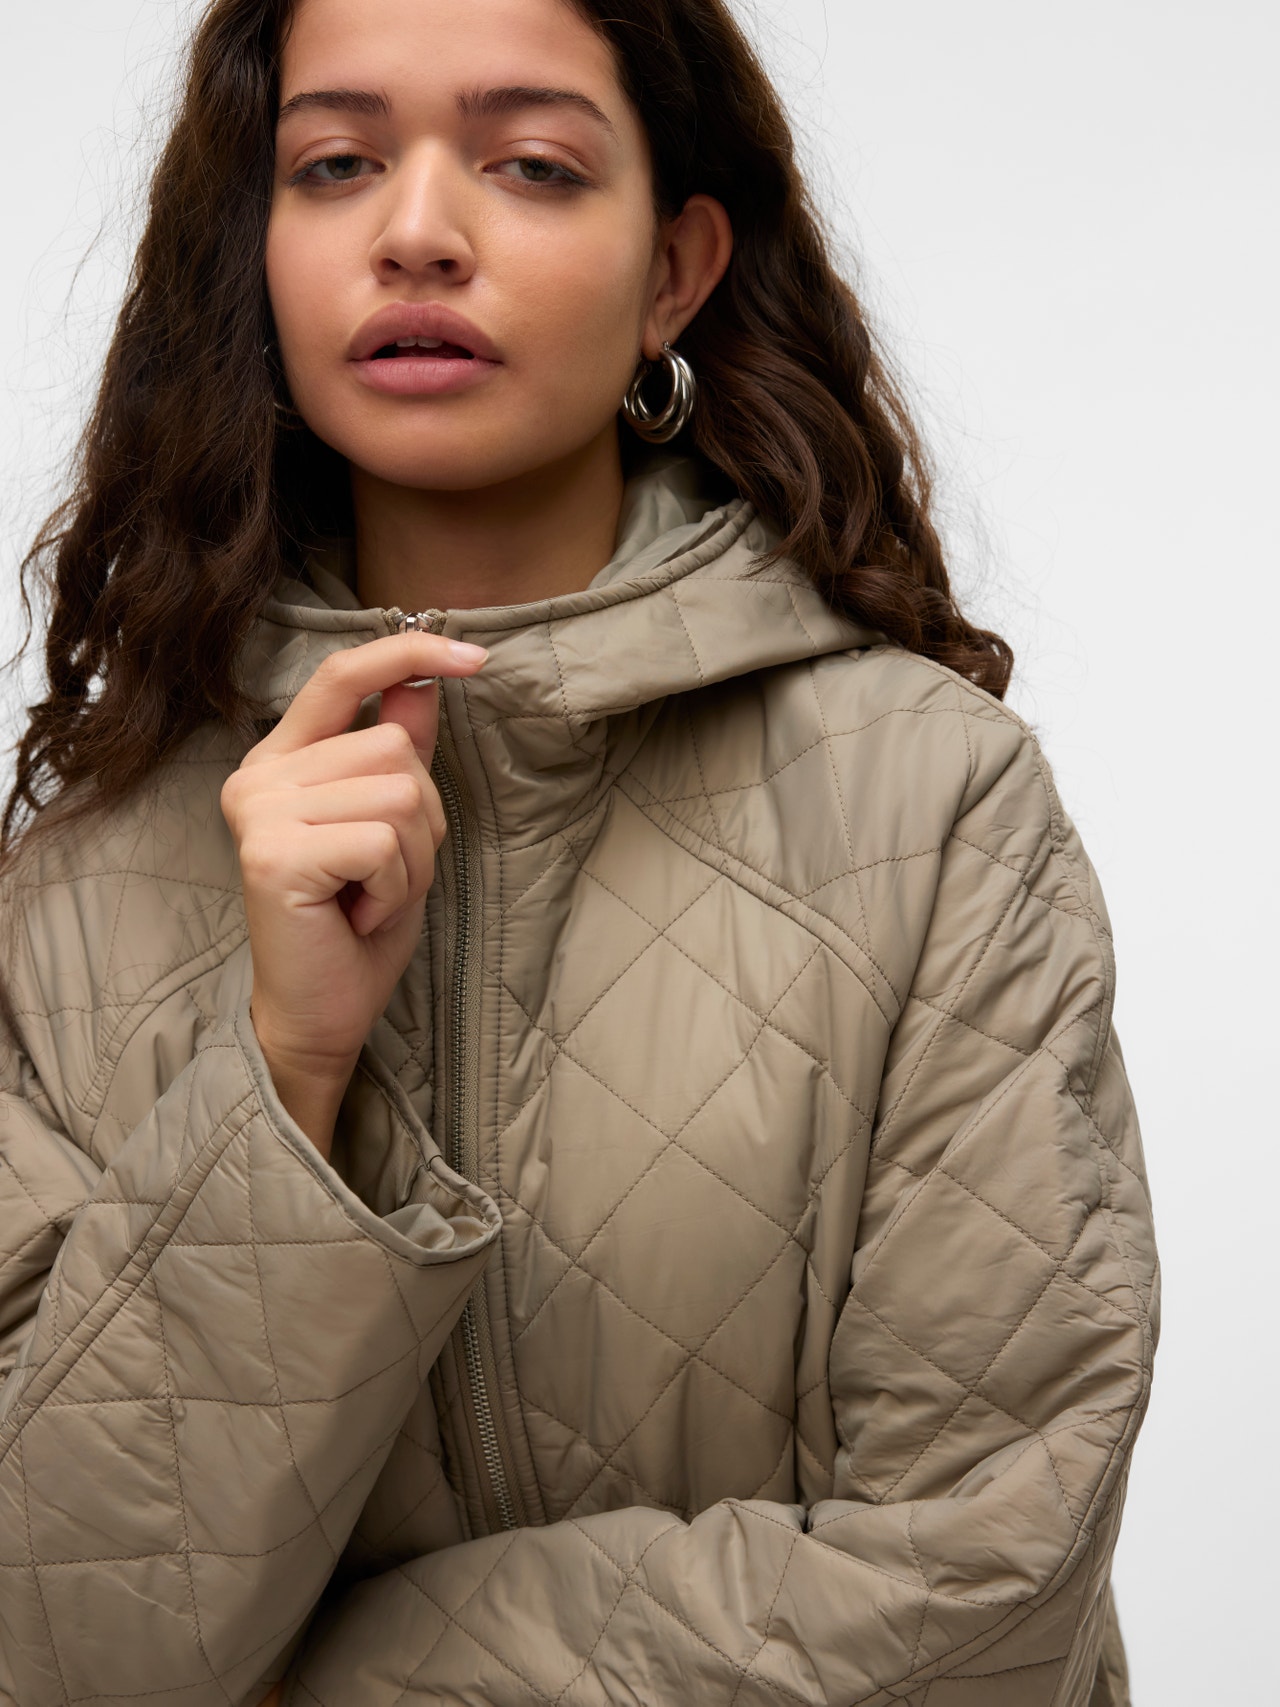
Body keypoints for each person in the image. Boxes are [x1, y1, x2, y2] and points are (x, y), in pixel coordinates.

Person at [0, 0, 1157, 1701]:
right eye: (335, 165)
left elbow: (986, 1589)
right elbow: (57, 1645)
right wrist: (284, 1070)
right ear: (257, 250)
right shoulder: (68, 893)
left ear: (674, 270)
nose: (416, 231)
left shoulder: (930, 806)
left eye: (531, 165)